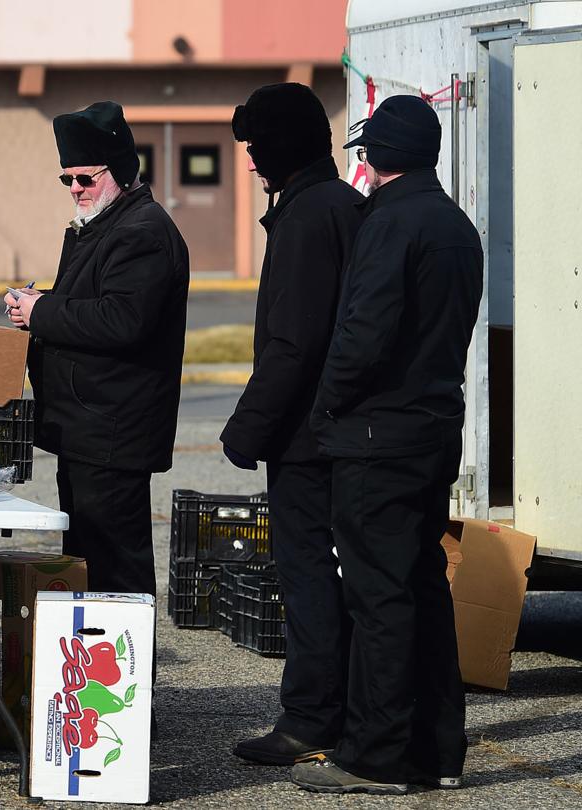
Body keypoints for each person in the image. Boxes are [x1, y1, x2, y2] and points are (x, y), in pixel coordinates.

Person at [291, 95, 483, 795]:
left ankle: (375, 755)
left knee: (377, 598)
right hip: (435, 429)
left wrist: (325, 407)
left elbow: (361, 336)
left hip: (376, 437)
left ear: (377, 156)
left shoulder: (389, 224)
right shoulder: (456, 226)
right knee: (423, 587)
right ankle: (439, 751)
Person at [220, 83, 363, 765]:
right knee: (349, 579)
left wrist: (246, 431)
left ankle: (310, 721)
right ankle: (346, 711)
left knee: (308, 578)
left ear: (281, 148)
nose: (249, 164)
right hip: (345, 431)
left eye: (255, 149)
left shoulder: (308, 218)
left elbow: (294, 343)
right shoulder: (339, 206)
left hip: (308, 439)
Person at [6, 101, 189, 596]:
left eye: (85, 178)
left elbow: (121, 319)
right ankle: (97, 671)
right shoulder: (106, 224)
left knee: (115, 568)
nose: (76, 190)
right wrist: (38, 302)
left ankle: (130, 671)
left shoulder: (142, 231)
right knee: (86, 563)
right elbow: (92, 302)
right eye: (67, 180)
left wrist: (41, 313)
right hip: (87, 428)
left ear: (121, 169)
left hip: (113, 432)